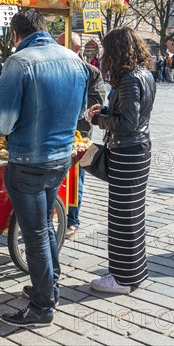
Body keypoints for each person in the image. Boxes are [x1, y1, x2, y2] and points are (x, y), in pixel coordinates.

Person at [0, 9, 88, 327]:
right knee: (44, 227)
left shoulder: (19, 62)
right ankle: (50, 287)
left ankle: (42, 306)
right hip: (60, 157)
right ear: (44, 27)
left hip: (27, 162)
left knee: (34, 234)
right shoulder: (74, 59)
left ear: (15, 35)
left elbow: (3, 122)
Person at [86, 26, 155, 294]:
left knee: (122, 217)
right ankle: (134, 272)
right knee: (133, 215)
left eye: (106, 50)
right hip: (139, 150)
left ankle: (122, 278)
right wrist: (104, 109)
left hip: (127, 152)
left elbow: (127, 122)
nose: (104, 56)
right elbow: (133, 111)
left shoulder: (128, 79)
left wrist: (99, 120)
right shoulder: (144, 74)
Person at [56, 32, 105, 238]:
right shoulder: (53, 68)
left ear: (76, 49)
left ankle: (72, 220)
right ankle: (54, 215)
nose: (56, 49)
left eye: (61, 45)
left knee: (76, 179)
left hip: (79, 134)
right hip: (54, 132)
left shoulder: (91, 72)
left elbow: (97, 103)